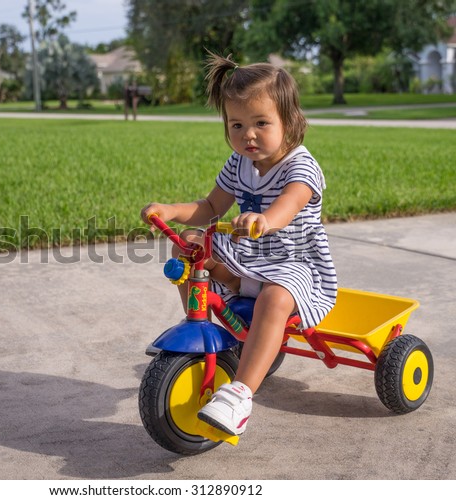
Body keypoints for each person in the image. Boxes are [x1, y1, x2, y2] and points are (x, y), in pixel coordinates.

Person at [140, 52, 337, 437]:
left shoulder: (301, 166)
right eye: (237, 124)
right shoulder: (238, 163)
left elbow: (288, 205)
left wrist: (264, 220)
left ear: (290, 122)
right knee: (191, 246)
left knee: (276, 298)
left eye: (261, 123)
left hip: (295, 263)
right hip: (250, 257)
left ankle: (240, 395)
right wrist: (171, 210)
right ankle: (200, 331)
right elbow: (212, 206)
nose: (248, 134)